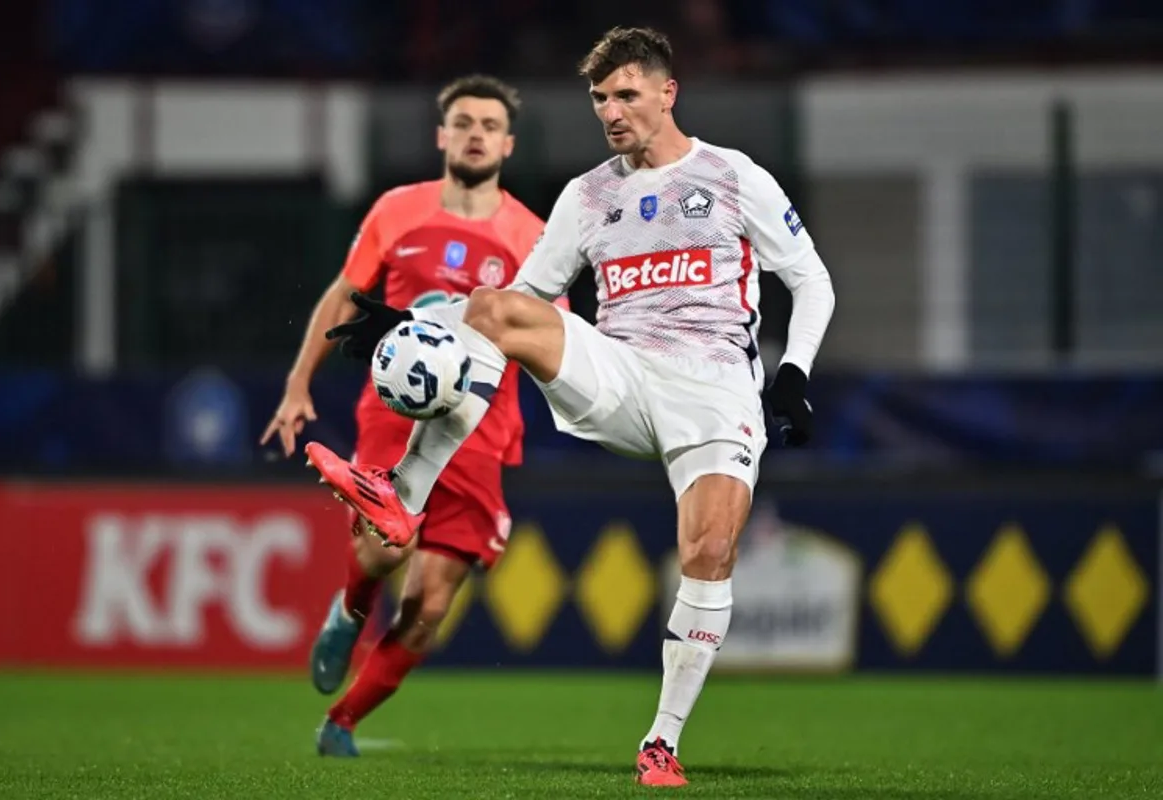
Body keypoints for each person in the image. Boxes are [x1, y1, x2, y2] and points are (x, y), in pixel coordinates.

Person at [305, 27, 835, 786]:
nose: (611, 110)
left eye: (625, 93)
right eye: (599, 97)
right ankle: (400, 494)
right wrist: (427, 329)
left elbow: (812, 281)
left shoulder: (732, 175)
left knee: (708, 551)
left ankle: (661, 743)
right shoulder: (586, 196)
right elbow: (521, 299)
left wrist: (793, 373)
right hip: (618, 371)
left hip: (715, 388)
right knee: (493, 305)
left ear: (666, 92)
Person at [261, 74, 544, 757]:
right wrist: (299, 382)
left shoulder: (535, 235)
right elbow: (345, 293)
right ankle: (349, 611)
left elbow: (552, 335)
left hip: (482, 425)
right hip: (397, 412)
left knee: (429, 607)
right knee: (386, 546)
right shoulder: (398, 209)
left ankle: (342, 723)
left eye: (489, 124)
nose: (476, 133)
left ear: (507, 142)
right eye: (464, 122)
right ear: (442, 136)